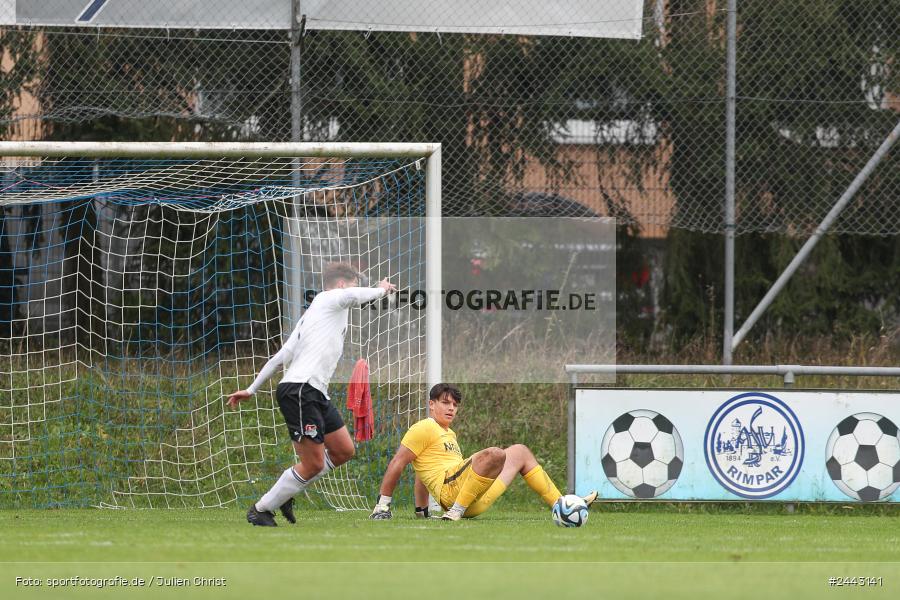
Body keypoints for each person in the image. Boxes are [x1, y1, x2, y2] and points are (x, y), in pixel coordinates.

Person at [228, 262, 396, 526]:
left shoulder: (316, 316)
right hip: (300, 390)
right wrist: (380, 290)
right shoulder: (328, 298)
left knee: (343, 450)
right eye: (352, 283)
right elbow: (352, 296)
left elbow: (279, 357)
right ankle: (261, 509)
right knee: (314, 464)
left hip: (315, 391)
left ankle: (286, 493)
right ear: (341, 284)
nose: (354, 288)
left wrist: (251, 389)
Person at [370, 383, 597, 521]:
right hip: (453, 495)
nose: (451, 408)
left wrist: (421, 511)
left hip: (472, 499)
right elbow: (399, 462)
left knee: (520, 451)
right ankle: (455, 511)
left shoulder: (449, 434)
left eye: (455, 405)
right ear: (431, 404)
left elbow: (422, 472)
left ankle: (565, 505)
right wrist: (382, 506)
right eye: (445, 403)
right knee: (495, 453)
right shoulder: (423, 427)